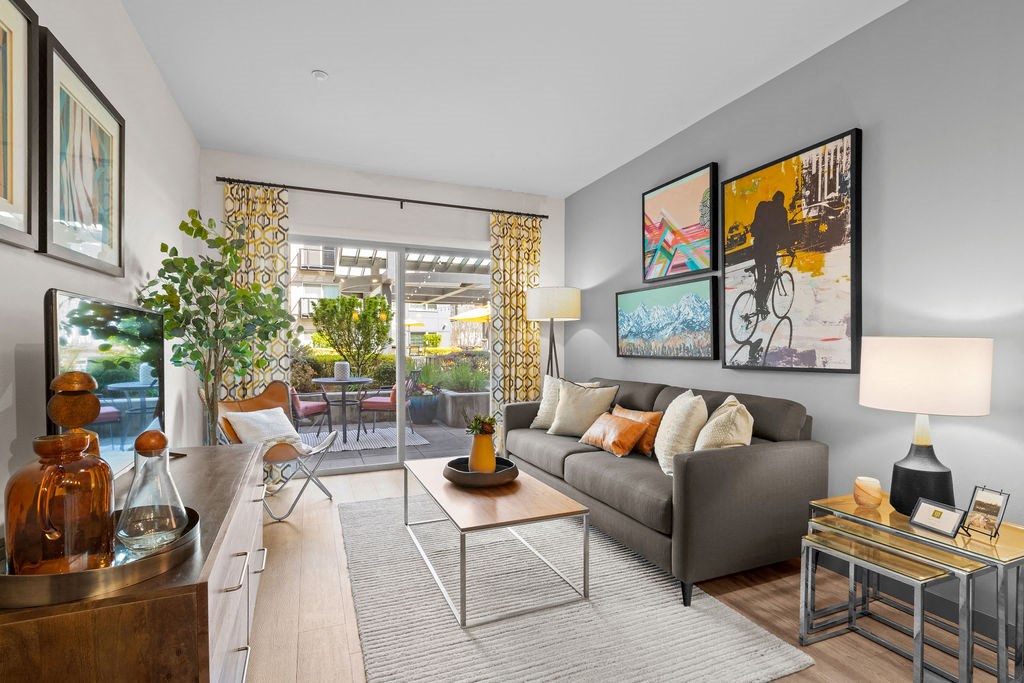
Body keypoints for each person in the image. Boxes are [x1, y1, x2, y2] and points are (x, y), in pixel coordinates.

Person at [749, 191, 791, 316]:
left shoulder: (762, 205)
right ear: (781, 201)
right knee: (770, 276)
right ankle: (761, 302)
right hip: (769, 248)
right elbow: (786, 231)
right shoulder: (782, 211)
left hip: (757, 246)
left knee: (761, 276)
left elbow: (755, 224)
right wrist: (788, 248)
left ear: (772, 199)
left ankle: (759, 304)